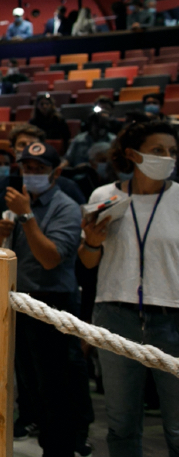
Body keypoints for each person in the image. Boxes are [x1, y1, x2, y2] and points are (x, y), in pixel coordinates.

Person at [79, 121, 179, 457]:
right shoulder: (104, 197)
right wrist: (92, 243)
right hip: (114, 316)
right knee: (121, 425)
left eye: (172, 152)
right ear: (132, 154)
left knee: (178, 427)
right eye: (158, 151)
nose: (167, 157)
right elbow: (89, 262)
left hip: (172, 318)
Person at [0, 142, 92, 456]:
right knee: (32, 383)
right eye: (27, 168)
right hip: (23, 302)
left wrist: (27, 219)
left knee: (58, 386)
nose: (32, 174)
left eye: (39, 169)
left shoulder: (65, 206)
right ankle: (44, 435)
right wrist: (3, 234)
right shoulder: (22, 204)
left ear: (56, 172)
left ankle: (62, 447)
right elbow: (11, 255)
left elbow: (50, 258)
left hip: (55, 303)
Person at [0, 125, 86, 221]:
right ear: (12, 151)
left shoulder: (67, 187)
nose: (27, 149)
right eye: (22, 144)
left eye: (33, 145)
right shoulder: (1, 187)